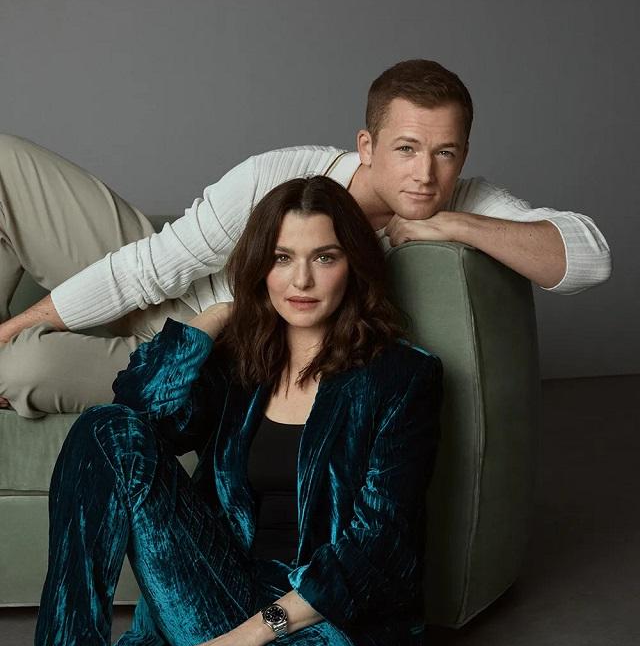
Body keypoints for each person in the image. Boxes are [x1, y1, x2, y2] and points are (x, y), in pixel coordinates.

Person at [0, 175, 445, 646]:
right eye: (281, 258)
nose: (301, 280)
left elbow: (379, 551)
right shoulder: (245, 360)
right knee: (105, 430)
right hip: (225, 592)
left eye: (324, 257)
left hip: (334, 630)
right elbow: (139, 408)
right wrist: (217, 316)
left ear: (355, 266)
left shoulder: (402, 378)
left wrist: (245, 638)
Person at [0, 59, 610, 418]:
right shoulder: (281, 174)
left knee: (22, 366)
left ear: (463, 155)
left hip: (200, 358)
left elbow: (588, 259)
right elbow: (152, 268)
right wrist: (19, 322)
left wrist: (452, 224)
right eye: (405, 149)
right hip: (170, 287)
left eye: (444, 153)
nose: (425, 174)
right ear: (366, 146)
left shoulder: (461, 201)